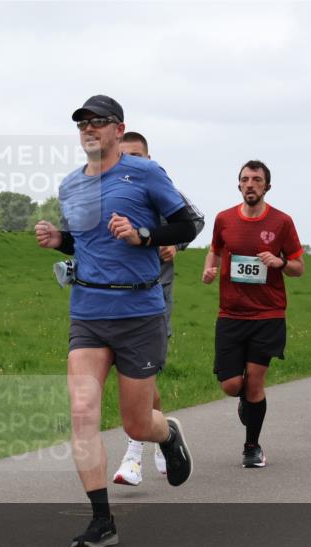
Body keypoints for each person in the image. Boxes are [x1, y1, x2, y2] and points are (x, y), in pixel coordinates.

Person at [35, 95, 201, 547]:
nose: (88, 129)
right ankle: (102, 520)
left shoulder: (144, 172)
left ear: (117, 128)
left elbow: (189, 225)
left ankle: (167, 432)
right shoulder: (70, 185)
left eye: (97, 122)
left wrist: (143, 234)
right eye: (82, 124)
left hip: (139, 312)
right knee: (82, 413)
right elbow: (86, 245)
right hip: (88, 313)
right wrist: (60, 241)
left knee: (135, 424)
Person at [110, 131, 204, 486]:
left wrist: (174, 244)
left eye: (138, 155)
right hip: (111, 302)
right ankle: (163, 437)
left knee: (141, 377)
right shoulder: (110, 189)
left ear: (149, 158)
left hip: (153, 295)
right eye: (125, 155)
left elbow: (194, 221)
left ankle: (134, 455)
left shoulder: (160, 187)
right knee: (134, 378)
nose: (131, 161)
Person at [201, 160, 304, 468]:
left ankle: (252, 446)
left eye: (256, 180)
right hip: (231, 313)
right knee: (232, 385)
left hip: (267, 315)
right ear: (239, 185)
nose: (250, 184)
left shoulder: (282, 222)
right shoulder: (224, 219)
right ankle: (246, 401)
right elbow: (215, 250)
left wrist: (280, 263)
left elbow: (299, 267)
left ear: (266, 186)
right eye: (245, 179)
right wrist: (209, 267)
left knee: (255, 382)